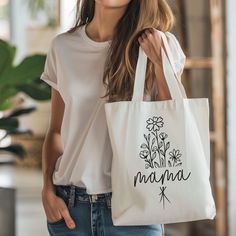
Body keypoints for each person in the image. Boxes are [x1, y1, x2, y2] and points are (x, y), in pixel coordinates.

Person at [40, 0, 186, 235]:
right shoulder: (63, 47)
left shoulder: (160, 44)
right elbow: (56, 130)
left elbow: (174, 124)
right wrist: (47, 188)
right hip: (70, 210)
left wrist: (159, 62)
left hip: (136, 208)